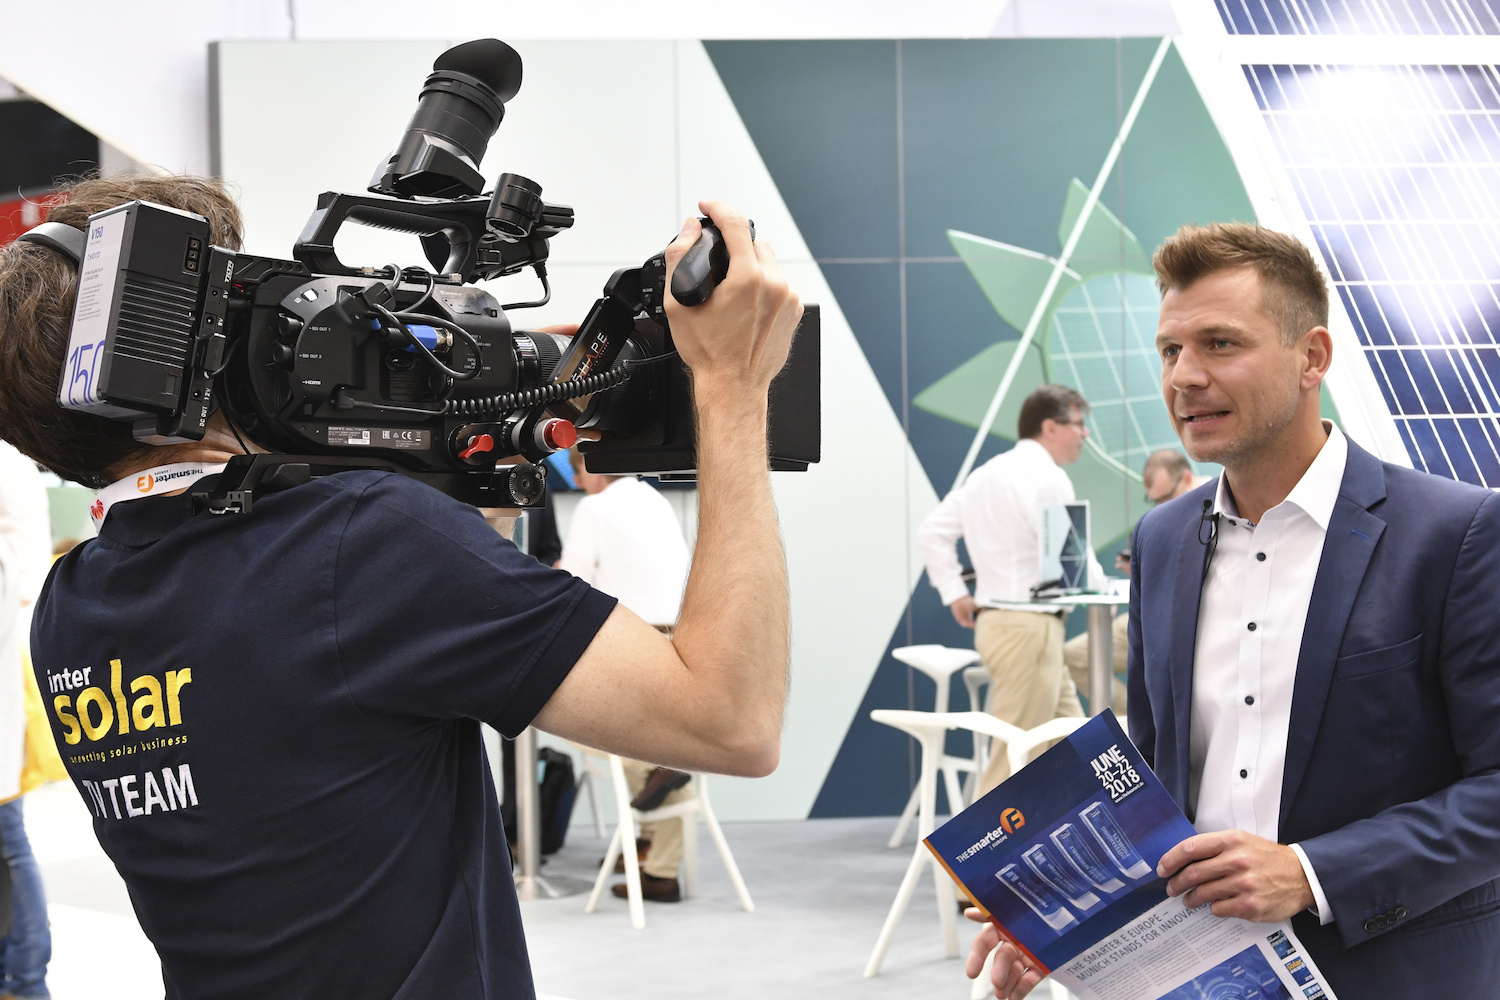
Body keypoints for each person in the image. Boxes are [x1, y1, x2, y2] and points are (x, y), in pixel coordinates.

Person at [1, 174, 802, 999]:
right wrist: (732, 388)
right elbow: (731, 722)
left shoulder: (72, 604)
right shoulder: (360, 543)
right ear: (190, 349)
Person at [1120, 222, 1499, 996]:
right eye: (1170, 350)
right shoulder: (1161, 541)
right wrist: (1070, 929)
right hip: (1207, 975)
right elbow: (1153, 778)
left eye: (1220, 344)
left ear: (1312, 358)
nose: (1184, 376)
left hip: (1391, 972)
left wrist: (1310, 872)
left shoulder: (1455, 533)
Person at [918, 384, 1100, 793]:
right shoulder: (1049, 479)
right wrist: (1112, 586)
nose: (1085, 433)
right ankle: (982, 838)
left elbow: (932, 532)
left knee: (1076, 749)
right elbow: (1073, 565)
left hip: (1008, 628)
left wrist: (955, 592)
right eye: (1078, 424)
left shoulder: (985, 475)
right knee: (1015, 761)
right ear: (1050, 427)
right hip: (1029, 630)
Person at [559, 448, 694, 902]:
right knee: (660, 742)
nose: (577, 484)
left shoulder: (594, 507)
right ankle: (649, 845)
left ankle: (661, 867)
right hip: (680, 640)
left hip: (633, 643)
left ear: (591, 471)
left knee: (599, 732)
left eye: (577, 474)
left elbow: (572, 583)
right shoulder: (655, 500)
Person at [1059, 448, 1202, 718]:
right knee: (1075, 655)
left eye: (1166, 498)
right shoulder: (1161, 521)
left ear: (1186, 477)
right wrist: (1141, 572)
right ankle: (1133, 724)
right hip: (1150, 618)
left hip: (1191, 626)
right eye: (1155, 500)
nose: (1161, 507)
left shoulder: (1218, 509)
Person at [0, 441, 54, 1000]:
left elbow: (25, 575)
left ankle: (25, 977)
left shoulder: (7, 463)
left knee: (6, 835)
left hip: (6, 661)